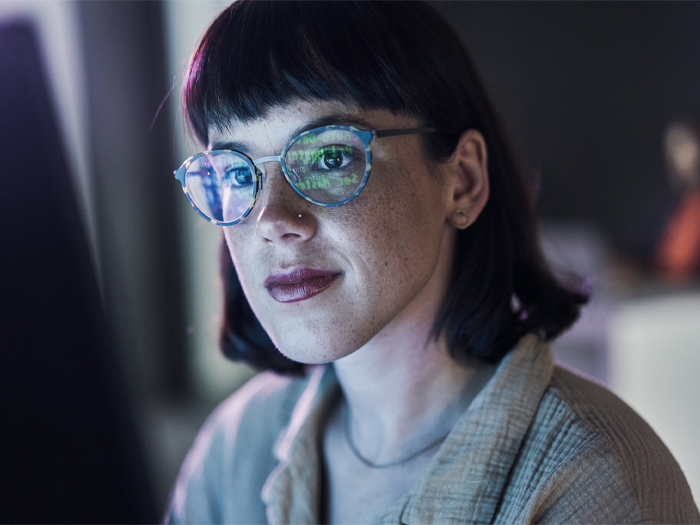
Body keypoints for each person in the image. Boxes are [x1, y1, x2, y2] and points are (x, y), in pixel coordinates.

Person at [166, 2, 699, 523]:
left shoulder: (591, 482)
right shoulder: (233, 451)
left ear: (461, 180)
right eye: (236, 174)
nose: (271, 218)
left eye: (330, 157)